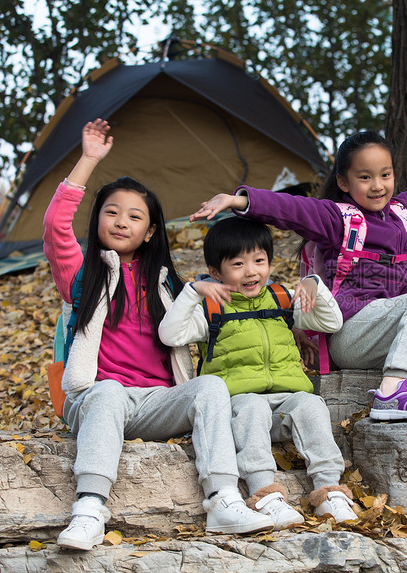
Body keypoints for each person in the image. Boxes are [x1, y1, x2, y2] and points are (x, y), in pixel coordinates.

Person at [44, 119, 274, 550]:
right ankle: (90, 509)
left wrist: (195, 295)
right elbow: (58, 225)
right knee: (110, 391)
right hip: (95, 398)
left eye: (134, 216)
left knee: (209, 388)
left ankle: (223, 498)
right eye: (111, 212)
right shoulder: (82, 274)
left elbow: (190, 331)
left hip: (155, 401)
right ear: (97, 221)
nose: (120, 221)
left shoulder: (165, 284)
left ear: (150, 231)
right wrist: (89, 159)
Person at [189, 129, 407, 421]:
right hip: (351, 334)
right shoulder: (338, 219)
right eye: (365, 177)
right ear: (343, 182)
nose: (377, 185)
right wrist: (237, 200)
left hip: (393, 330)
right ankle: (393, 391)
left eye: (385, 175)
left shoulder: (406, 214)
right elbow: (292, 209)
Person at [158, 216, 359, 529]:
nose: (251, 271)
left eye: (259, 261)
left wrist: (314, 285)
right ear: (215, 273)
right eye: (237, 264)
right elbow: (170, 335)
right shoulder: (212, 309)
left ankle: (329, 491)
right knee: (251, 406)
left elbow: (331, 323)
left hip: (286, 403)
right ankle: (266, 495)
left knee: (312, 404)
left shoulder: (281, 300)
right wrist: (194, 291)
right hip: (240, 406)